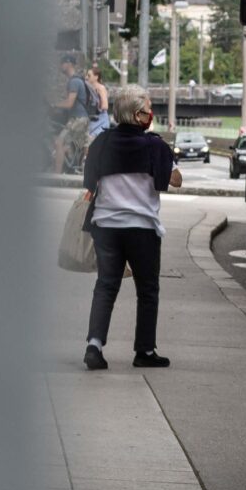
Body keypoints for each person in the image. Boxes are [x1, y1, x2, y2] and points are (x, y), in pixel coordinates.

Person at [81, 82, 181, 370]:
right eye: (148, 110)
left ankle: (94, 345)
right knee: (147, 289)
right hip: (142, 229)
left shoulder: (101, 143)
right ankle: (144, 351)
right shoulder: (154, 146)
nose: (151, 114)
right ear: (138, 115)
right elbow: (175, 180)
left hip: (106, 226)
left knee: (106, 285)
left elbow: (89, 183)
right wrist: (168, 161)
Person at [84, 63, 113, 139]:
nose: (86, 77)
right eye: (86, 75)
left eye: (89, 75)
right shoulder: (88, 87)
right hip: (92, 119)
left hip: (100, 120)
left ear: (96, 77)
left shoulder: (101, 88)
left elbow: (105, 106)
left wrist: (95, 106)